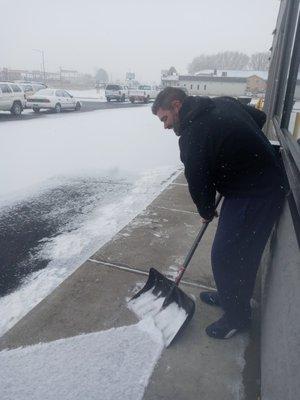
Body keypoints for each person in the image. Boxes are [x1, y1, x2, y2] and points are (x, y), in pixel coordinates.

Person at [152, 87, 285, 339]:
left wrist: (206, 210)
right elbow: (259, 118)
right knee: (233, 254)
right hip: (256, 182)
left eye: (165, 119)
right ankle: (229, 296)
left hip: (256, 193)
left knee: (229, 256)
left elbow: (199, 182)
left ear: (177, 106)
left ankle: (237, 318)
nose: (165, 126)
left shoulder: (193, 135)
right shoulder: (221, 103)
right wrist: (235, 151)